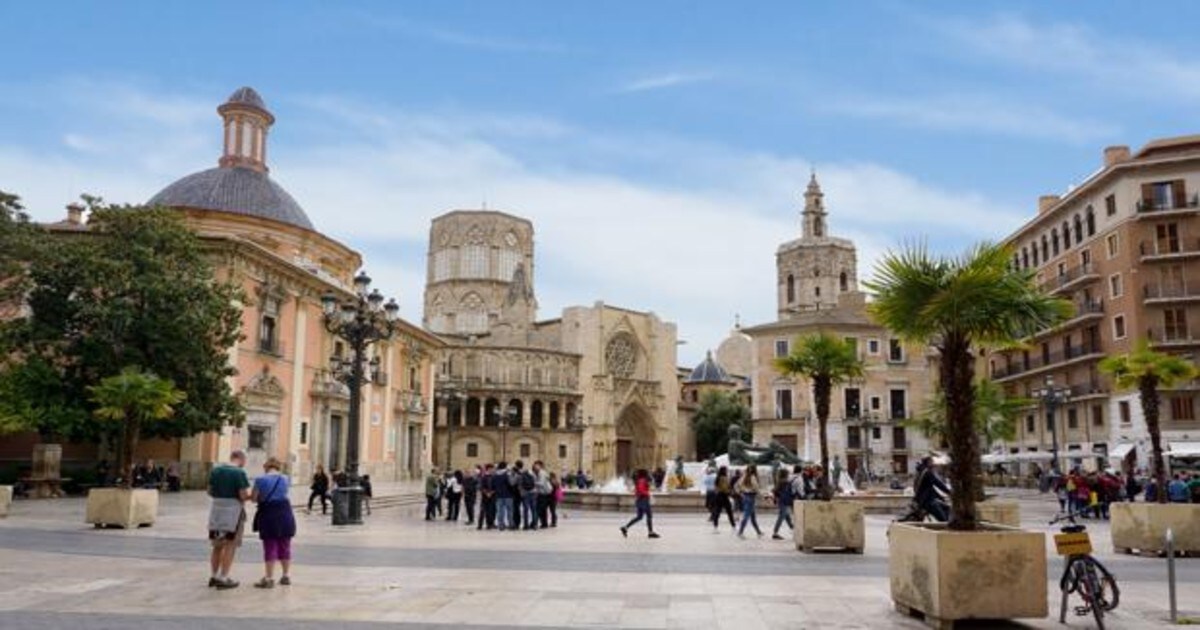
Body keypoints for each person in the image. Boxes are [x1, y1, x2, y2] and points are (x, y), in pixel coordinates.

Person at [207, 449, 251, 590]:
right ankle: (224, 577)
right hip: (233, 512)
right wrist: (251, 497)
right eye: (245, 461)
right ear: (240, 458)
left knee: (217, 545)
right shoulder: (239, 473)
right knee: (230, 545)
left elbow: (209, 491)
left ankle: (214, 576)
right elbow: (243, 495)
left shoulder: (216, 470)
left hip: (216, 511)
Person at [251, 457, 296, 588]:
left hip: (269, 513)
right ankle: (286, 575)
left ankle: (269, 578)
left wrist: (260, 497)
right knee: (285, 544)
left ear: (266, 467)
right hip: (285, 512)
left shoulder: (260, 480)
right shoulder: (285, 478)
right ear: (278, 467)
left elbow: (254, 498)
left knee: (270, 545)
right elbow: (285, 492)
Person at [619, 469, 659, 539]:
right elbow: (641, 490)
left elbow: (639, 490)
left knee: (640, 516)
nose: (648, 474)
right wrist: (647, 494)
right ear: (644, 474)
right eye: (647, 473)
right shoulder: (642, 481)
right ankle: (650, 532)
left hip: (641, 500)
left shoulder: (641, 480)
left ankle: (625, 528)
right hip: (643, 500)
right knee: (648, 516)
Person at [913, 456, 949, 522]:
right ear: (928, 462)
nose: (933, 464)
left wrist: (941, 498)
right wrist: (949, 492)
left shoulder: (920, 471)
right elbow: (938, 483)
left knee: (946, 507)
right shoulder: (927, 473)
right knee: (943, 519)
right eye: (932, 461)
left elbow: (930, 488)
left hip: (922, 500)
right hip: (927, 501)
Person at [736, 465, 764, 538]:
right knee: (746, 516)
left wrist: (740, 492)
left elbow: (737, 485)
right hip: (751, 497)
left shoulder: (744, 476)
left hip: (745, 496)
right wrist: (762, 495)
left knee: (752, 516)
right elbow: (756, 488)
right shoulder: (753, 477)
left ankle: (758, 532)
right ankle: (740, 532)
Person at [771, 467, 795, 540]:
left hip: (781, 501)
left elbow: (775, 490)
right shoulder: (785, 482)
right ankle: (775, 532)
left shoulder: (780, 481)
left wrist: (777, 496)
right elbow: (789, 492)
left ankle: (793, 529)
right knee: (781, 517)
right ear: (786, 474)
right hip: (784, 501)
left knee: (787, 516)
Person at [710, 466, 736, 530]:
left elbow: (716, 487)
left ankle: (715, 526)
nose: (727, 471)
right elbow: (725, 487)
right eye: (726, 470)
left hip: (719, 496)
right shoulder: (724, 478)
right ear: (724, 471)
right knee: (729, 511)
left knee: (718, 512)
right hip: (723, 496)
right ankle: (733, 526)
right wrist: (730, 492)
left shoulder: (718, 477)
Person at [517, 461, 538, 530]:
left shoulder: (521, 475)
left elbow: (519, 486)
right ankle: (535, 525)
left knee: (526, 510)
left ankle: (526, 525)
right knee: (534, 510)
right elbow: (535, 484)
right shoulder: (532, 475)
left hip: (525, 494)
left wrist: (521, 493)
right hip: (533, 493)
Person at [494, 462, 514, 531]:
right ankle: (511, 524)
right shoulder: (507, 474)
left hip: (499, 495)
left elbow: (493, 485)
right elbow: (511, 483)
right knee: (509, 511)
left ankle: (501, 525)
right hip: (508, 495)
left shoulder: (495, 475)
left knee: (500, 511)